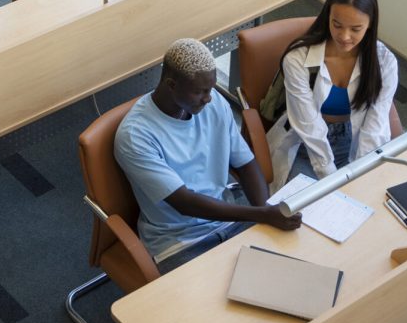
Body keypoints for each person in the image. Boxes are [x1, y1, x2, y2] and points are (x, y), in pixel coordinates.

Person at [115, 38, 301, 266]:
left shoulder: (213, 104)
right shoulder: (135, 135)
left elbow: (245, 164)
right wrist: (260, 215)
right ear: (171, 85)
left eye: (211, 88)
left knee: (289, 266)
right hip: (179, 242)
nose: (209, 98)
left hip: (227, 221)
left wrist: (265, 211)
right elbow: (185, 203)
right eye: (200, 91)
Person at [267, 0, 399, 187]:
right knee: (312, 207)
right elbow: (309, 127)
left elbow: (374, 126)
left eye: (355, 29)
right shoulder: (298, 59)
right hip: (306, 145)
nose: (345, 36)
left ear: (370, 24)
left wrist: (359, 174)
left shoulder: (385, 62)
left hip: (354, 140)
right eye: (337, 25)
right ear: (327, 15)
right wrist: (331, 179)